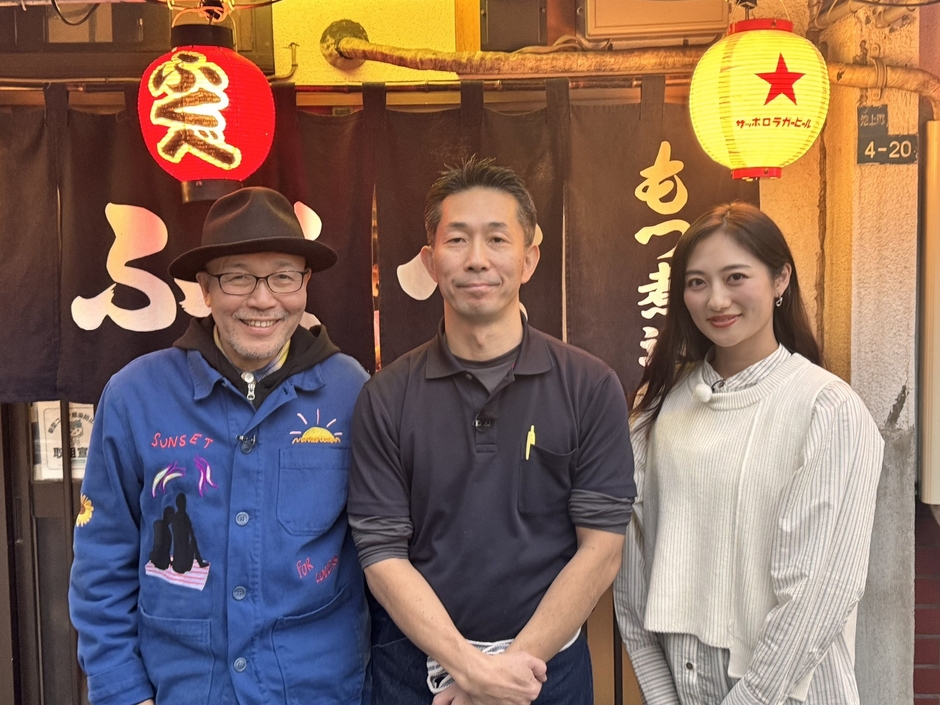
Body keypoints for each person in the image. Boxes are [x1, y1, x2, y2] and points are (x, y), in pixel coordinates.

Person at [348, 157, 635, 705]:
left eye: (497, 239)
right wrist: (470, 670)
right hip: (417, 675)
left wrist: (505, 674)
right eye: (457, 240)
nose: (477, 259)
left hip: (545, 674)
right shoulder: (386, 396)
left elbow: (601, 548)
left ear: (529, 259)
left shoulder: (589, 385)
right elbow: (382, 551)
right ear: (431, 262)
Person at [69, 187, 371, 705]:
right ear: (206, 290)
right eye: (238, 277)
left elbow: (382, 549)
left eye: (283, 276)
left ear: (305, 285)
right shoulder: (136, 395)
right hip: (182, 690)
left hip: (321, 690)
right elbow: (102, 560)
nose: (263, 299)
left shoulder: (351, 390)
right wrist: (123, 691)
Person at [614, 202, 884, 704]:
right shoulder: (658, 408)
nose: (717, 299)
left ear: (781, 278)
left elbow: (818, 593)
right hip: (681, 687)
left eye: (736, 277)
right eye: (697, 282)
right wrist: (661, 695)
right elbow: (633, 574)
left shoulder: (827, 409)